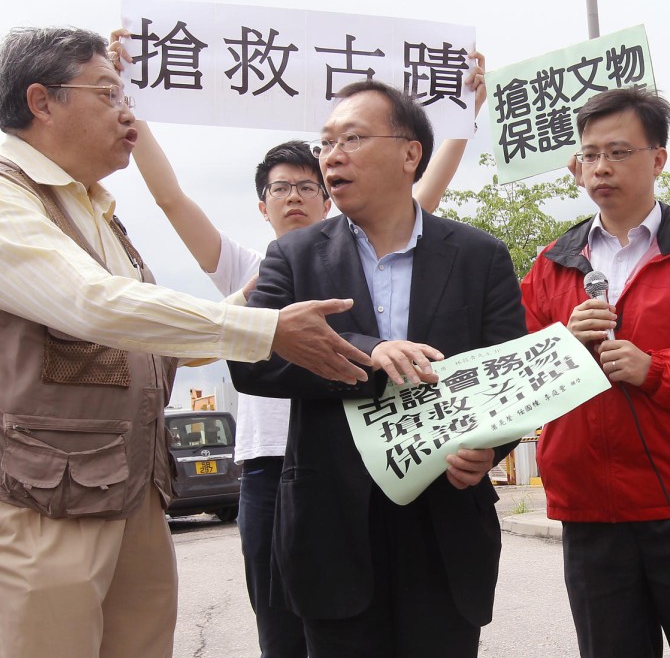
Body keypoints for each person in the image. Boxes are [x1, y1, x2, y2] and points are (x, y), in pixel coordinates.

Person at [0, 26, 371, 658]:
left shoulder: (93, 209)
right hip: (47, 498)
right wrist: (264, 327)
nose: (128, 111)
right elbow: (90, 304)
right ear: (42, 102)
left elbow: (157, 342)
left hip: (134, 490)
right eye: (110, 92)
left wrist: (260, 299)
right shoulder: (10, 195)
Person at [113, 33, 488, 658]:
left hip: (421, 479)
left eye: (305, 183)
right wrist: (132, 103)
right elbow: (173, 201)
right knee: (285, 627)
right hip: (280, 471)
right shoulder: (263, 266)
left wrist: (464, 112)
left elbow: (428, 188)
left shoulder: (441, 249)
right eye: (280, 187)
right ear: (261, 206)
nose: (297, 192)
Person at [227, 78, 526, 657]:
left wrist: (493, 448)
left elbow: (507, 375)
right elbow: (253, 363)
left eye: (353, 138)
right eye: (326, 142)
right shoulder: (292, 255)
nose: (331, 156)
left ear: (411, 153)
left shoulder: (479, 255)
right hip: (332, 527)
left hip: (444, 520)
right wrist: (371, 355)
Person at [521, 87, 670, 658]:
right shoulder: (551, 265)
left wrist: (655, 369)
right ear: (575, 167)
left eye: (620, 151)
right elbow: (522, 376)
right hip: (590, 508)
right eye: (590, 154)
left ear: (658, 159)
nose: (601, 167)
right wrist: (561, 347)